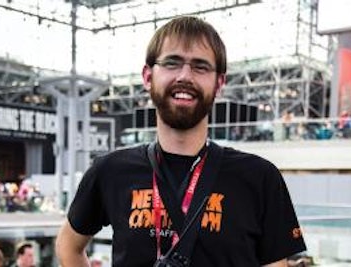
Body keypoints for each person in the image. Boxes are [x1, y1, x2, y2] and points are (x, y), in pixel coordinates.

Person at [55, 16, 306, 267]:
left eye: (200, 67)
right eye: (172, 63)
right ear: (148, 76)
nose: (185, 76)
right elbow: (68, 245)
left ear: (219, 83)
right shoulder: (109, 171)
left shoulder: (259, 177)